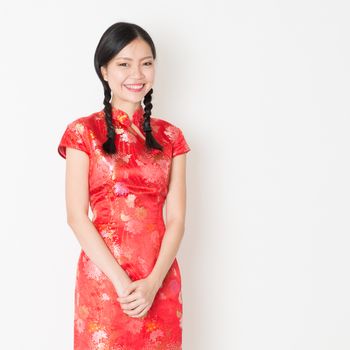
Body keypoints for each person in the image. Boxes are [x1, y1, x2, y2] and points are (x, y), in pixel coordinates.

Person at [57, 21, 191, 349]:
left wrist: (154, 282)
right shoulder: (83, 133)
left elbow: (176, 219)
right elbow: (76, 216)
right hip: (104, 282)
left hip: (158, 281)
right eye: (124, 64)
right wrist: (121, 282)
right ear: (104, 71)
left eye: (146, 63)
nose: (137, 73)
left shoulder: (171, 137)